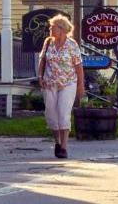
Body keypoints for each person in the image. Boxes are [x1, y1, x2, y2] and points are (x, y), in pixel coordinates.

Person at [36, 15, 85, 159]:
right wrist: (40, 76)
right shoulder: (48, 42)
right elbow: (42, 60)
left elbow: (78, 65)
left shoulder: (72, 45)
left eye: (53, 27)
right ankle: (56, 142)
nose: (50, 29)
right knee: (51, 113)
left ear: (61, 29)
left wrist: (81, 85)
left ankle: (64, 146)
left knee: (63, 113)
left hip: (68, 83)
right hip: (49, 82)